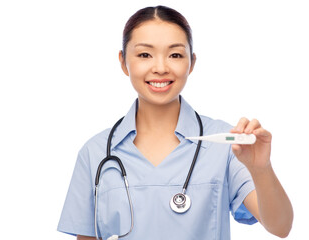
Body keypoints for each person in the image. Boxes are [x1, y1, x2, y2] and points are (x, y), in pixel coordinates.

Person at [57, 5, 293, 240]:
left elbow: (280, 227)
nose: (160, 68)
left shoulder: (228, 144)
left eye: (175, 55)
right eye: (144, 55)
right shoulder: (95, 152)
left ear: (191, 63)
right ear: (123, 62)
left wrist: (261, 170)